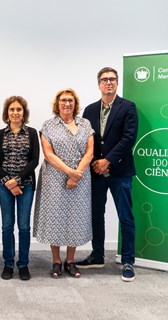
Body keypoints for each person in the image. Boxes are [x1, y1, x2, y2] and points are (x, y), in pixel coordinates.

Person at [75, 67, 138, 282]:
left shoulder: (128, 107)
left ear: (117, 83)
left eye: (112, 79)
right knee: (96, 215)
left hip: (120, 171)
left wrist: (108, 160)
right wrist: (95, 163)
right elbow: (85, 141)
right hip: (95, 173)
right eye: (104, 80)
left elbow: (129, 138)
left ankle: (128, 260)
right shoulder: (89, 110)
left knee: (125, 216)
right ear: (99, 84)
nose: (108, 83)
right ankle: (98, 255)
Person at [33, 88, 94, 279]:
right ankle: (56, 261)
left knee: (76, 217)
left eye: (70, 100)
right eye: (63, 100)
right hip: (54, 178)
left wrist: (77, 175)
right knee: (55, 217)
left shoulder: (85, 124)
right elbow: (48, 154)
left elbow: (90, 152)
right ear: (57, 104)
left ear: (75, 103)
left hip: (81, 178)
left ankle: (70, 260)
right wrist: (69, 172)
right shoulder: (48, 125)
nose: (67, 103)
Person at [0, 96, 40, 281]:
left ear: (24, 113)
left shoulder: (32, 133)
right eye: (12, 110)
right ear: (7, 113)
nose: (15, 113)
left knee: (24, 226)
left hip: (26, 185)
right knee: (6, 226)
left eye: (19, 109)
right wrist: (8, 181)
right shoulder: (0, 134)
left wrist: (18, 179)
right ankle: (9, 264)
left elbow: (35, 160)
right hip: (4, 186)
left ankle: (23, 264)